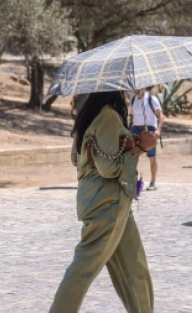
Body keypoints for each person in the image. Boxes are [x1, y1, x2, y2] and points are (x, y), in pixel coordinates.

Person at [51, 91, 156, 313]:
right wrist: (141, 148)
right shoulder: (108, 116)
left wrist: (126, 143)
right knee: (82, 270)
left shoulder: (88, 114)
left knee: (134, 268)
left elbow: (77, 158)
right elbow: (108, 168)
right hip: (108, 205)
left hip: (108, 203)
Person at [129, 88, 164, 191]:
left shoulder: (151, 99)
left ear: (143, 87)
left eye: (138, 88)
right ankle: (133, 180)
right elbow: (133, 115)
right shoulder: (133, 99)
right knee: (132, 156)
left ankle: (153, 181)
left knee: (152, 156)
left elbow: (161, 115)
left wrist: (158, 130)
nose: (136, 90)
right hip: (136, 128)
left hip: (149, 129)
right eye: (134, 88)